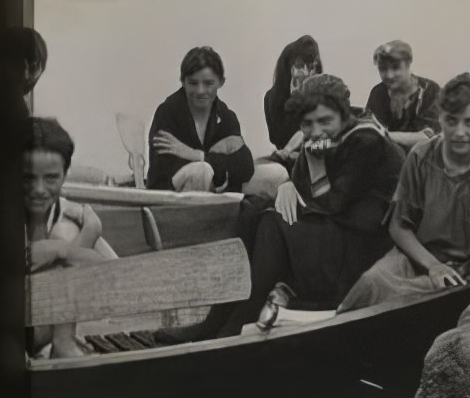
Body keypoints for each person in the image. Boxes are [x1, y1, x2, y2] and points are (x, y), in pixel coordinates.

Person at [173, 74, 404, 340]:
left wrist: (306, 170)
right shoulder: (324, 138)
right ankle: (218, 317)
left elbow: (333, 203)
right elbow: (304, 190)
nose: (315, 130)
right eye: (308, 123)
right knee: (252, 209)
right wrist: (286, 186)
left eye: (324, 121)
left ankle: (240, 319)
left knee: (272, 222)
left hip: (363, 250)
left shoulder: (366, 139)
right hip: (336, 234)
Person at [337, 73, 470, 311]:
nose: (460, 132)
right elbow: (399, 226)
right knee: (372, 283)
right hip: (420, 259)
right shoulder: (421, 156)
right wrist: (433, 266)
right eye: (451, 121)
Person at [24, 117, 117, 359]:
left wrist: (65, 247)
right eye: (28, 178)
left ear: (65, 175)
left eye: (51, 178)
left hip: (42, 325)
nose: (40, 189)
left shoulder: (68, 213)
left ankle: (62, 343)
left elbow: (112, 272)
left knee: (66, 233)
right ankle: (63, 342)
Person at [146, 46, 256, 193]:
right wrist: (218, 161)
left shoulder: (226, 116)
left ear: (221, 82)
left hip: (218, 189)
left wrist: (196, 155)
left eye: (208, 83)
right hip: (170, 198)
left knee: (275, 174)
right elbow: (163, 171)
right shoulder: (167, 113)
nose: (200, 91)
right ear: (183, 82)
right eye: (193, 83)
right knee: (202, 170)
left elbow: (245, 166)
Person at [363, 39, 442, 154]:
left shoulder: (430, 91)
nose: (389, 75)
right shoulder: (378, 92)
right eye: (383, 69)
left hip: (422, 160)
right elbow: (368, 130)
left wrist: (385, 135)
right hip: (388, 159)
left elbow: (429, 137)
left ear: (408, 64)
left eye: (395, 68)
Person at [262, 35, 323, 163]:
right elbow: (278, 139)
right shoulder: (272, 98)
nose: (307, 72)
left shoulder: (325, 95)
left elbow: (329, 142)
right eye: (301, 65)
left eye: (312, 66)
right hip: (289, 163)